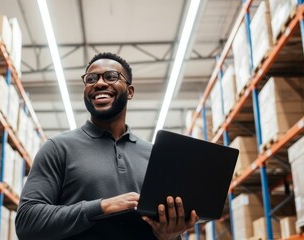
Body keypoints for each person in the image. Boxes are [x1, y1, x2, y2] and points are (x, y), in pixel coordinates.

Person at [16, 52, 198, 239]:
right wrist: (101, 207)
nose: (99, 83)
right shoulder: (57, 148)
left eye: (111, 77)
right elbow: (27, 221)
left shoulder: (154, 156)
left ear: (130, 91)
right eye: (91, 79)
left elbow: (163, 225)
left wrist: (169, 235)